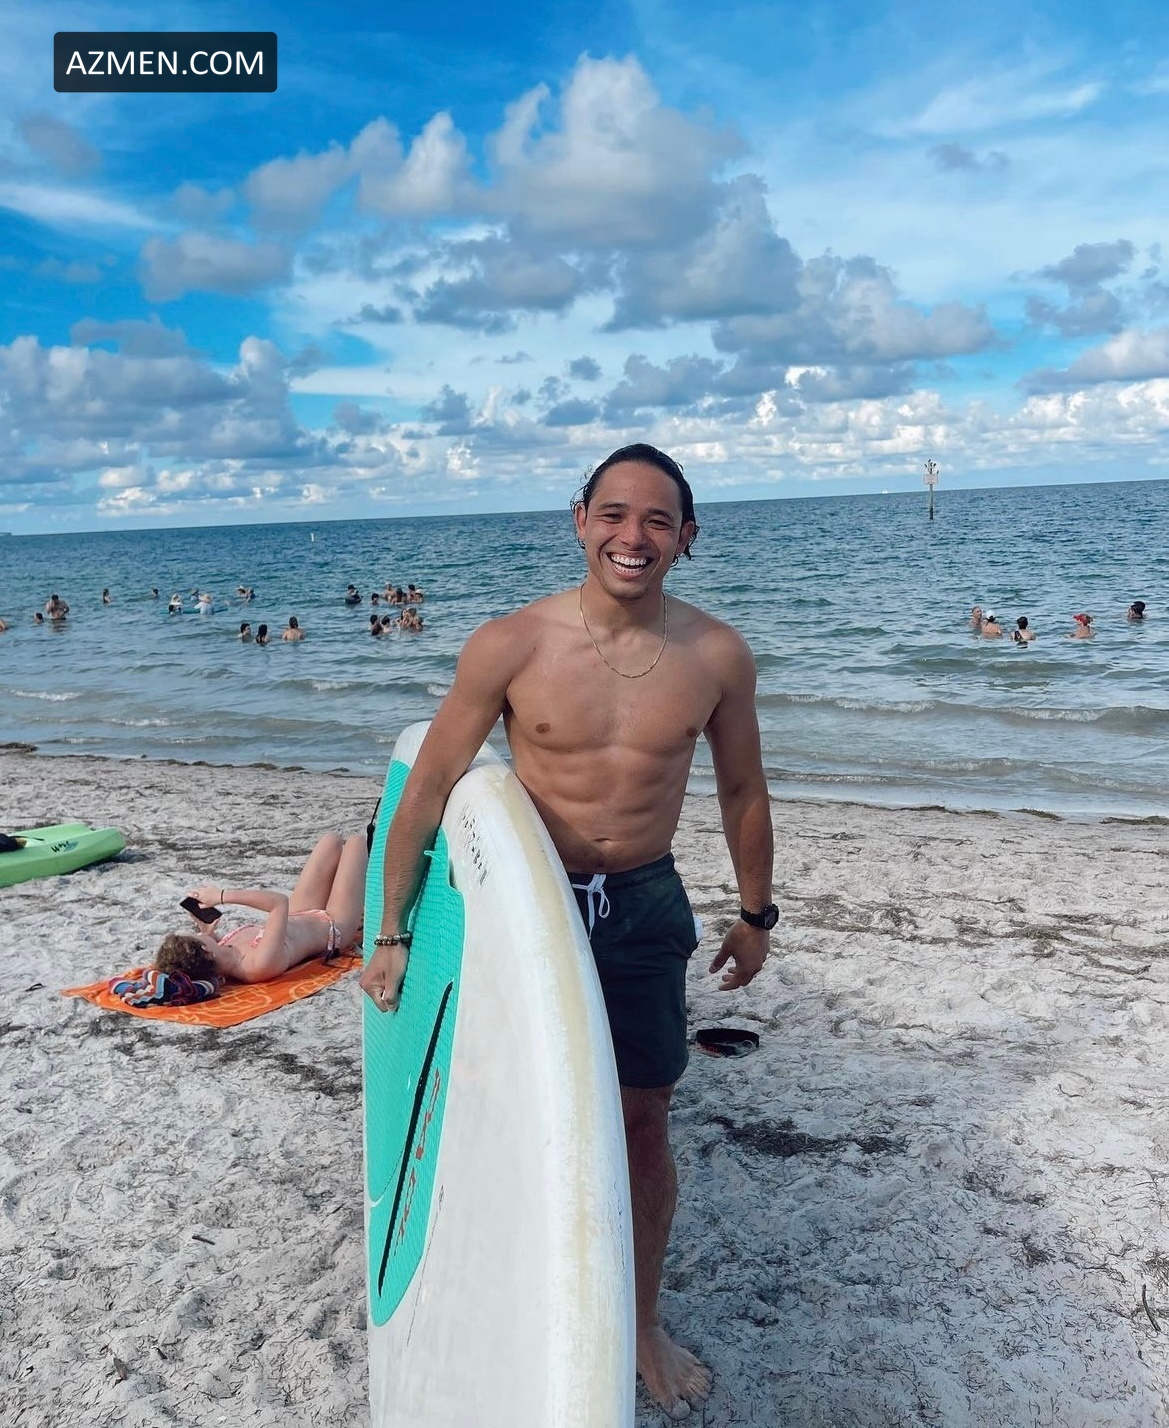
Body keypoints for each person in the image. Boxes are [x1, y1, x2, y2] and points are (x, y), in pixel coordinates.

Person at [360, 442, 773, 1418]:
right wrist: (392, 930)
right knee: (510, 1107)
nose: (634, 536)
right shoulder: (509, 644)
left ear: (686, 537)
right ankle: (506, 1274)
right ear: (579, 519)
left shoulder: (715, 655)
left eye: (658, 520)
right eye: (614, 514)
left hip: (643, 904)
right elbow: (428, 789)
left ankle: (639, 1324)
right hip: (530, 905)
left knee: (641, 1118)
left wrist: (756, 913)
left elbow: (743, 791)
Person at [154, 833, 367, 985]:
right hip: (333, 926)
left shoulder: (222, 950)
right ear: (206, 951)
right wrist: (221, 896)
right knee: (357, 843)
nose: (201, 934)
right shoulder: (257, 965)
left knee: (331, 840)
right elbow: (278, 903)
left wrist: (210, 934)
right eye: (198, 936)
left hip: (299, 914)